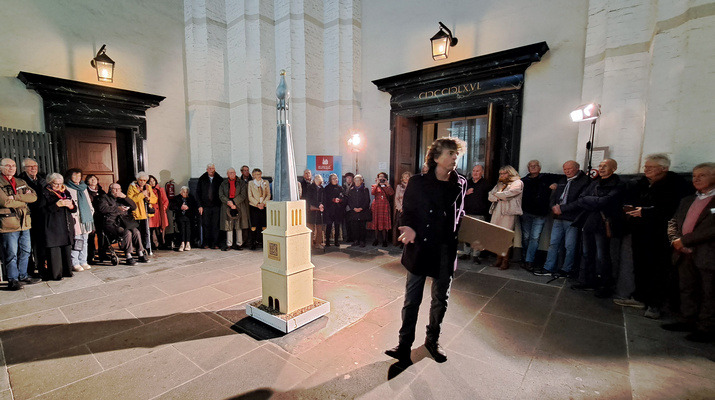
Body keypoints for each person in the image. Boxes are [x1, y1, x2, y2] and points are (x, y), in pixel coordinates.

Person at [385, 137, 468, 364]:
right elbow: (407, 212)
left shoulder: (460, 183)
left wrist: (472, 236)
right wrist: (409, 228)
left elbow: (459, 215)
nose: (454, 158)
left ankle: (432, 341)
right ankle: (404, 345)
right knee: (412, 300)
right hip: (420, 246)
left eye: (456, 154)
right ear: (435, 157)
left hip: (445, 249)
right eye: (450, 153)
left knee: (440, 299)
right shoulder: (417, 182)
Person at [615, 154, 690, 319]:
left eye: (650, 167)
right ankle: (640, 298)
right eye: (645, 167)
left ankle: (655, 304)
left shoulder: (675, 185)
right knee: (640, 266)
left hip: (659, 235)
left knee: (658, 269)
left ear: (664, 168)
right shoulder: (642, 184)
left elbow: (672, 210)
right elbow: (630, 201)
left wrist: (645, 211)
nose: (646, 169)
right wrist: (628, 209)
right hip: (640, 231)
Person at [665, 162, 715, 342]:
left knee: (708, 292)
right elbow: (673, 221)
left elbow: (711, 229)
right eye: (694, 175)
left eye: (703, 175)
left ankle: (706, 328)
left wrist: (683, 240)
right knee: (686, 288)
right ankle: (687, 320)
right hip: (682, 252)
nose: (696, 178)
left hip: (706, 254)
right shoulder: (687, 200)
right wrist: (674, 240)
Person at [571, 159, 625, 298]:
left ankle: (605, 285)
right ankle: (588, 280)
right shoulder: (594, 183)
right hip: (589, 222)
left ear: (614, 168)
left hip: (603, 223)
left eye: (605, 166)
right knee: (587, 253)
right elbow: (581, 199)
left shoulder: (618, 184)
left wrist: (594, 201)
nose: (601, 168)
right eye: (600, 166)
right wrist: (596, 201)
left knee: (602, 256)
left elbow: (606, 202)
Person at [535, 161, 590, 277]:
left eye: (569, 169)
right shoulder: (562, 180)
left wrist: (563, 209)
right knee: (553, 243)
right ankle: (548, 267)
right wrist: (553, 207)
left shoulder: (584, 181)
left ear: (577, 168)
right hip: (558, 217)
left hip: (572, 218)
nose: (567, 171)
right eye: (565, 169)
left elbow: (581, 201)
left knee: (570, 246)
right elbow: (554, 196)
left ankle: (566, 269)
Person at [0, 158, 40, 290]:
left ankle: (23, 275)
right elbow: (5, 202)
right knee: (11, 253)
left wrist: (16, 198)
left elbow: (33, 197)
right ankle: (13, 279)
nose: (11, 168)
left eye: (13, 166)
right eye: (7, 166)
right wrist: (24, 200)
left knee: (26, 251)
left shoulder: (20, 182)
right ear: (1, 167)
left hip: (25, 223)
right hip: (9, 224)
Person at [519, 160, 560, 272]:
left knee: (535, 238)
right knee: (526, 237)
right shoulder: (523, 181)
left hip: (540, 214)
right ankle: (525, 259)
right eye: (531, 166)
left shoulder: (546, 177)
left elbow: (564, 178)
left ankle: (529, 261)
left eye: (535, 166)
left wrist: (557, 185)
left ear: (540, 168)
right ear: (528, 168)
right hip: (526, 213)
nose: (533, 167)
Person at [96, 183, 149, 265]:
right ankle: (128, 255)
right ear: (110, 190)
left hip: (124, 222)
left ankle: (140, 253)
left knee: (136, 231)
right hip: (111, 223)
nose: (117, 191)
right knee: (127, 232)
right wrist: (118, 209)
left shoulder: (122, 198)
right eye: (115, 189)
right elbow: (102, 208)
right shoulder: (104, 198)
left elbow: (134, 207)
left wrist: (125, 197)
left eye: (119, 189)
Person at [488, 165, 524, 270]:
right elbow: (490, 196)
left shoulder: (517, 183)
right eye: (500, 173)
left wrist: (498, 194)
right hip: (497, 212)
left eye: (504, 173)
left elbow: (510, 194)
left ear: (510, 173)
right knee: (497, 236)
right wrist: (499, 195)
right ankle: (498, 259)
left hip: (508, 213)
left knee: (506, 237)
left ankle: (505, 261)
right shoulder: (500, 183)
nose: (502, 175)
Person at [42, 173, 77, 280]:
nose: (58, 186)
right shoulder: (45, 193)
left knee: (66, 249)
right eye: (55, 184)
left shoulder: (65, 192)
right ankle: (56, 274)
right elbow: (42, 210)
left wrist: (70, 205)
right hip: (53, 225)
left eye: (60, 183)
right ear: (49, 183)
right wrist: (57, 205)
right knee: (55, 251)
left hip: (65, 225)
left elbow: (74, 209)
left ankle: (67, 271)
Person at [18, 158, 46, 277]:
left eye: (35, 166)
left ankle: (42, 269)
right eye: (30, 166)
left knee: (41, 245)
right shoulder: (20, 181)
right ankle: (29, 271)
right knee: (26, 247)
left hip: (42, 217)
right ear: (24, 168)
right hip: (27, 217)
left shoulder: (42, 181)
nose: (33, 168)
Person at [65, 168, 95, 272]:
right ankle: (75, 262)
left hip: (85, 218)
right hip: (75, 218)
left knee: (85, 240)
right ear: (70, 177)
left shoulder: (83, 187)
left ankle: (83, 261)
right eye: (75, 176)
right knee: (77, 240)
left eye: (79, 176)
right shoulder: (66, 187)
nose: (77, 178)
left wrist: (91, 212)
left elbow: (88, 201)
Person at [459, 164, 491, 262]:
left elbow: (489, 199)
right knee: (467, 235)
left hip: (480, 213)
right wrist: (466, 193)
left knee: (477, 236)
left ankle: (475, 255)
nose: (475, 173)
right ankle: (466, 253)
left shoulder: (486, 184)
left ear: (482, 172)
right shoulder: (467, 183)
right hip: (467, 212)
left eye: (477, 171)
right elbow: (458, 195)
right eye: (473, 171)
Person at [127, 171, 158, 255]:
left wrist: (149, 199)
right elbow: (130, 200)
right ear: (137, 180)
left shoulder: (148, 187)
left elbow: (154, 199)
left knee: (146, 233)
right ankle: (138, 249)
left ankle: (145, 248)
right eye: (141, 180)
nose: (143, 182)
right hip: (137, 213)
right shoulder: (132, 186)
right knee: (138, 232)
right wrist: (142, 194)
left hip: (146, 213)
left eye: (145, 180)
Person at [219, 168, 248, 251]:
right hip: (227, 205)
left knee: (239, 225)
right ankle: (229, 244)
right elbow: (221, 195)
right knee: (229, 225)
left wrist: (234, 202)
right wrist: (229, 202)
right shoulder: (223, 183)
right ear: (227, 174)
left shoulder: (241, 183)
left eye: (234, 172)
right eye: (230, 173)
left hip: (238, 205)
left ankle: (239, 244)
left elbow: (243, 195)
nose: (232, 174)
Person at [196, 163, 223, 249]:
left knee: (215, 225)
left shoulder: (219, 179)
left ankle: (215, 243)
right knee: (206, 224)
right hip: (205, 206)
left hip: (216, 206)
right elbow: (198, 193)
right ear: (207, 169)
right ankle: (206, 243)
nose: (211, 170)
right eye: (210, 168)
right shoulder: (202, 179)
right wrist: (200, 206)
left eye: (213, 168)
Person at [84, 174, 106, 264]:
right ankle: (90, 256)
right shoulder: (85, 191)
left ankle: (102, 254)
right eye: (91, 179)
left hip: (100, 216)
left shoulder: (101, 191)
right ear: (87, 181)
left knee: (102, 235)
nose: (93, 180)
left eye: (95, 179)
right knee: (91, 235)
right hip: (91, 215)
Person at [247, 168, 270, 250]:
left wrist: (263, 203)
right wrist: (257, 204)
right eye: (256, 174)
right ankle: (253, 243)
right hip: (254, 206)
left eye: (259, 174)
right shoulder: (250, 183)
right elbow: (250, 196)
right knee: (254, 225)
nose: (258, 176)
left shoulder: (265, 182)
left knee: (264, 225)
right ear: (253, 175)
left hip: (264, 206)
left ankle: (264, 243)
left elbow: (268, 195)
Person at [170, 186, 198, 252]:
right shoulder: (177, 198)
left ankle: (188, 243)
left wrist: (188, 207)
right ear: (181, 192)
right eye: (183, 192)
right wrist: (180, 207)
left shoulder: (191, 198)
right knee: (182, 226)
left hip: (189, 216)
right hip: (180, 216)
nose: (185, 193)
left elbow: (194, 207)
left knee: (188, 226)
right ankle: (182, 243)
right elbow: (171, 207)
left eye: (186, 192)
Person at [346, 174, 371, 247]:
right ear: (354, 181)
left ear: (361, 181)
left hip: (363, 211)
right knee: (354, 227)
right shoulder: (352, 189)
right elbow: (349, 201)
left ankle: (362, 241)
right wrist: (353, 208)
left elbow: (367, 200)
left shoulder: (365, 189)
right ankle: (356, 240)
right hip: (354, 211)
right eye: (356, 180)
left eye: (359, 180)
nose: (357, 181)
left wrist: (361, 208)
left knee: (362, 227)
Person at [371, 172, 394, 247]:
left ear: (385, 178)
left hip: (384, 206)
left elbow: (391, 193)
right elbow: (373, 192)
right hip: (377, 206)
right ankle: (376, 239)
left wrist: (388, 185)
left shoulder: (387, 186)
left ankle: (384, 240)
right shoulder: (375, 185)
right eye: (379, 177)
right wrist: (377, 184)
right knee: (376, 222)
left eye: (382, 177)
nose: (381, 178)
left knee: (384, 223)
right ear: (377, 178)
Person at [147, 175, 170, 250]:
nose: (152, 182)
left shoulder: (161, 190)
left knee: (160, 229)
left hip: (160, 213)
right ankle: (153, 244)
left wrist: (163, 208)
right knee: (151, 229)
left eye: (153, 181)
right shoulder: (147, 190)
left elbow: (166, 201)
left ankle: (162, 243)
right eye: (150, 181)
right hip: (152, 213)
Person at [323, 173, 345, 247]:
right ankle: (327, 241)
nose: (335, 180)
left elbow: (344, 197)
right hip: (329, 211)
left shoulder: (340, 188)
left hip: (338, 210)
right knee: (329, 226)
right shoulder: (326, 188)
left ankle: (336, 241)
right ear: (330, 180)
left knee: (337, 226)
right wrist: (333, 200)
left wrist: (340, 200)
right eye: (333, 179)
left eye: (336, 178)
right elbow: (325, 199)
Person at [307, 174, 326, 249]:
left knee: (319, 228)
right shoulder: (310, 187)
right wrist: (317, 205)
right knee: (311, 228)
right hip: (311, 211)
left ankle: (318, 243)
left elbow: (324, 198)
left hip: (319, 211)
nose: (318, 180)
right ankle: (310, 244)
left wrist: (322, 205)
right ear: (314, 180)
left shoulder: (322, 188)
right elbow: (309, 199)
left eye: (320, 179)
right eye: (317, 178)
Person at [392, 171, 411, 247]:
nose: (406, 178)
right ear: (402, 178)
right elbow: (396, 199)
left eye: (408, 176)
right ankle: (402, 242)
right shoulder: (399, 187)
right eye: (404, 177)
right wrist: (400, 208)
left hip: (410, 210)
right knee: (401, 226)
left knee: (409, 226)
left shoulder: (413, 186)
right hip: (401, 210)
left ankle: (408, 241)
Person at [342, 172, 355, 243]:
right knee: (346, 223)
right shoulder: (343, 187)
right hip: (345, 207)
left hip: (352, 207)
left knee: (353, 223)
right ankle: (348, 237)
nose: (349, 179)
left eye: (350, 178)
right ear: (345, 179)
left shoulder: (354, 186)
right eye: (348, 178)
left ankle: (353, 237)